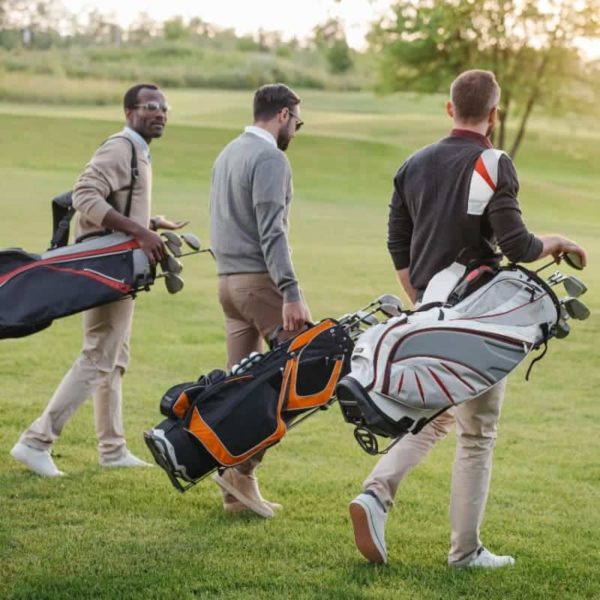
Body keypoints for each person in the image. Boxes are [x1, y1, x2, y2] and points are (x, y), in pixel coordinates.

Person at [349, 69, 587, 568]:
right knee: (476, 433)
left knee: (433, 419)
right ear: (495, 114)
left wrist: (424, 303)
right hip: (478, 318)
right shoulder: (493, 162)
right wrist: (560, 241)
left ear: (448, 108)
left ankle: (375, 494)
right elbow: (519, 247)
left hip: (430, 310)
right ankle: (465, 551)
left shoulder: (413, 163)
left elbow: (398, 241)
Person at [11, 83, 187, 477]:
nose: (159, 113)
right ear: (129, 112)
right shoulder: (119, 147)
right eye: (150, 107)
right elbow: (85, 196)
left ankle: (112, 448)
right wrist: (140, 233)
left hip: (122, 264)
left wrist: (150, 223)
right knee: (98, 355)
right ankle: (36, 441)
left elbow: (115, 204)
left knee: (113, 357)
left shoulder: (138, 150)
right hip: (108, 266)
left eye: (164, 108)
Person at [209, 83, 310, 518]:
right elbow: (273, 230)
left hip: (227, 284)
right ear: (284, 114)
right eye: (299, 122)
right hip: (259, 285)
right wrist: (290, 290)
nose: (296, 131)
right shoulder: (270, 157)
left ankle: (237, 492)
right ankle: (239, 468)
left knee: (241, 388)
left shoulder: (227, 152)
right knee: (305, 375)